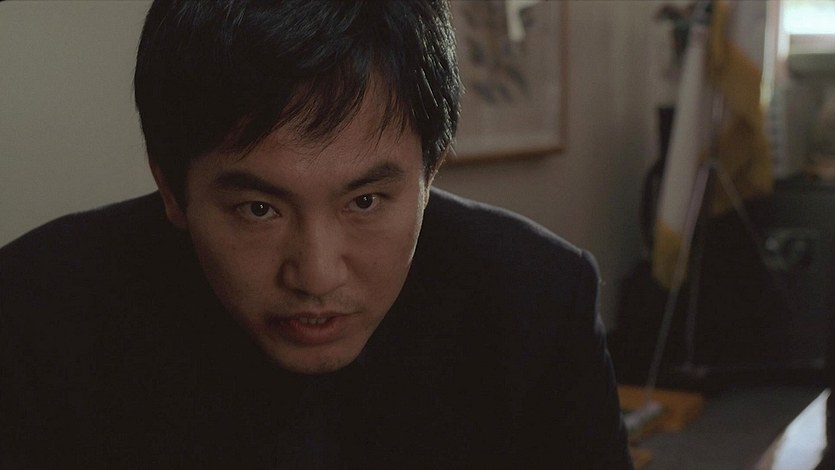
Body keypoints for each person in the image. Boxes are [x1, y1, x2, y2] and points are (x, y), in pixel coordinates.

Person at [0, 0, 632, 468]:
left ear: (430, 172)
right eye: (258, 209)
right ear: (171, 188)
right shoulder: (34, 314)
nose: (317, 275)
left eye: (365, 201)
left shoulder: (537, 302)